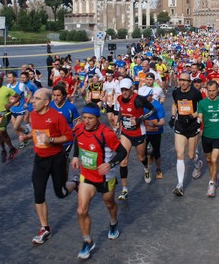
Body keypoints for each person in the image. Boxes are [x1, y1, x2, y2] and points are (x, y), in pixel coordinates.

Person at [19, 89, 78, 244]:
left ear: (46, 102)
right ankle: (45, 228)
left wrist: (50, 140)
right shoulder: (32, 115)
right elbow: (37, 135)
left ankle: (75, 182)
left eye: (37, 99)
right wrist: (27, 137)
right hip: (40, 160)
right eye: (33, 98)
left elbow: (69, 136)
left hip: (56, 159)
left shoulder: (56, 117)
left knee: (61, 193)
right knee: (38, 194)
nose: (32, 101)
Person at [72, 103, 127, 260]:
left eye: (90, 118)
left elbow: (122, 152)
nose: (87, 121)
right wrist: (76, 155)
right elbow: (78, 139)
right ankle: (87, 240)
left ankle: (113, 222)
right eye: (84, 118)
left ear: (98, 118)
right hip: (87, 175)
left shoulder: (106, 134)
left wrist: (110, 164)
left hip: (105, 177)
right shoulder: (80, 128)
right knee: (81, 211)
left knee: (109, 203)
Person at [115, 78, 156, 200]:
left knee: (141, 157)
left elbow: (153, 110)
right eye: (122, 90)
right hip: (126, 133)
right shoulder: (119, 99)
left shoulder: (138, 99)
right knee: (123, 161)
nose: (124, 92)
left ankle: (146, 167)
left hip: (139, 133)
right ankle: (125, 190)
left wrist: (140, 119)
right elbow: (122, 112)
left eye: (126, 90)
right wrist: (118, 123)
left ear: (132, 89)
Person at [170, 72, 203, 196]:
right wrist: (173, 116)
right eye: (181, 80)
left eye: (185, 80)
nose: (182, 82)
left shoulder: (195, 93)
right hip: (180, 126)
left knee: (190, 155)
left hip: (192, 126)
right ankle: (180, 185)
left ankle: (197, 163)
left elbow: (201, 107)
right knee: (180, 154)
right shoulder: (176, 92)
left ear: (190, 82)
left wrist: (193, 116)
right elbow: (174, 104)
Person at [197, 81, 219, 197]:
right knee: (208, 160)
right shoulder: (202, 103)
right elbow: (200, 116)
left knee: (214, 159)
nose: (211, 93)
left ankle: (212, 183)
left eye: (213, 91)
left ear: (217, 90)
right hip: (206, 135)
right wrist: (198, 123)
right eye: (209, 91)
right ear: (206, 90)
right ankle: (213, 174)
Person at [139, 86, 166, 179]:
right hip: (144, 132)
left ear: (151, 96)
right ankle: (146, 168)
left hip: (156, 132)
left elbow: (162, 122)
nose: (142, 99)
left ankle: (159, 169)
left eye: (145, 97)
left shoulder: (158, 105)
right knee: (142, 153)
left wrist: (154, 124)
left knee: (156, 151)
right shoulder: (140, 105)